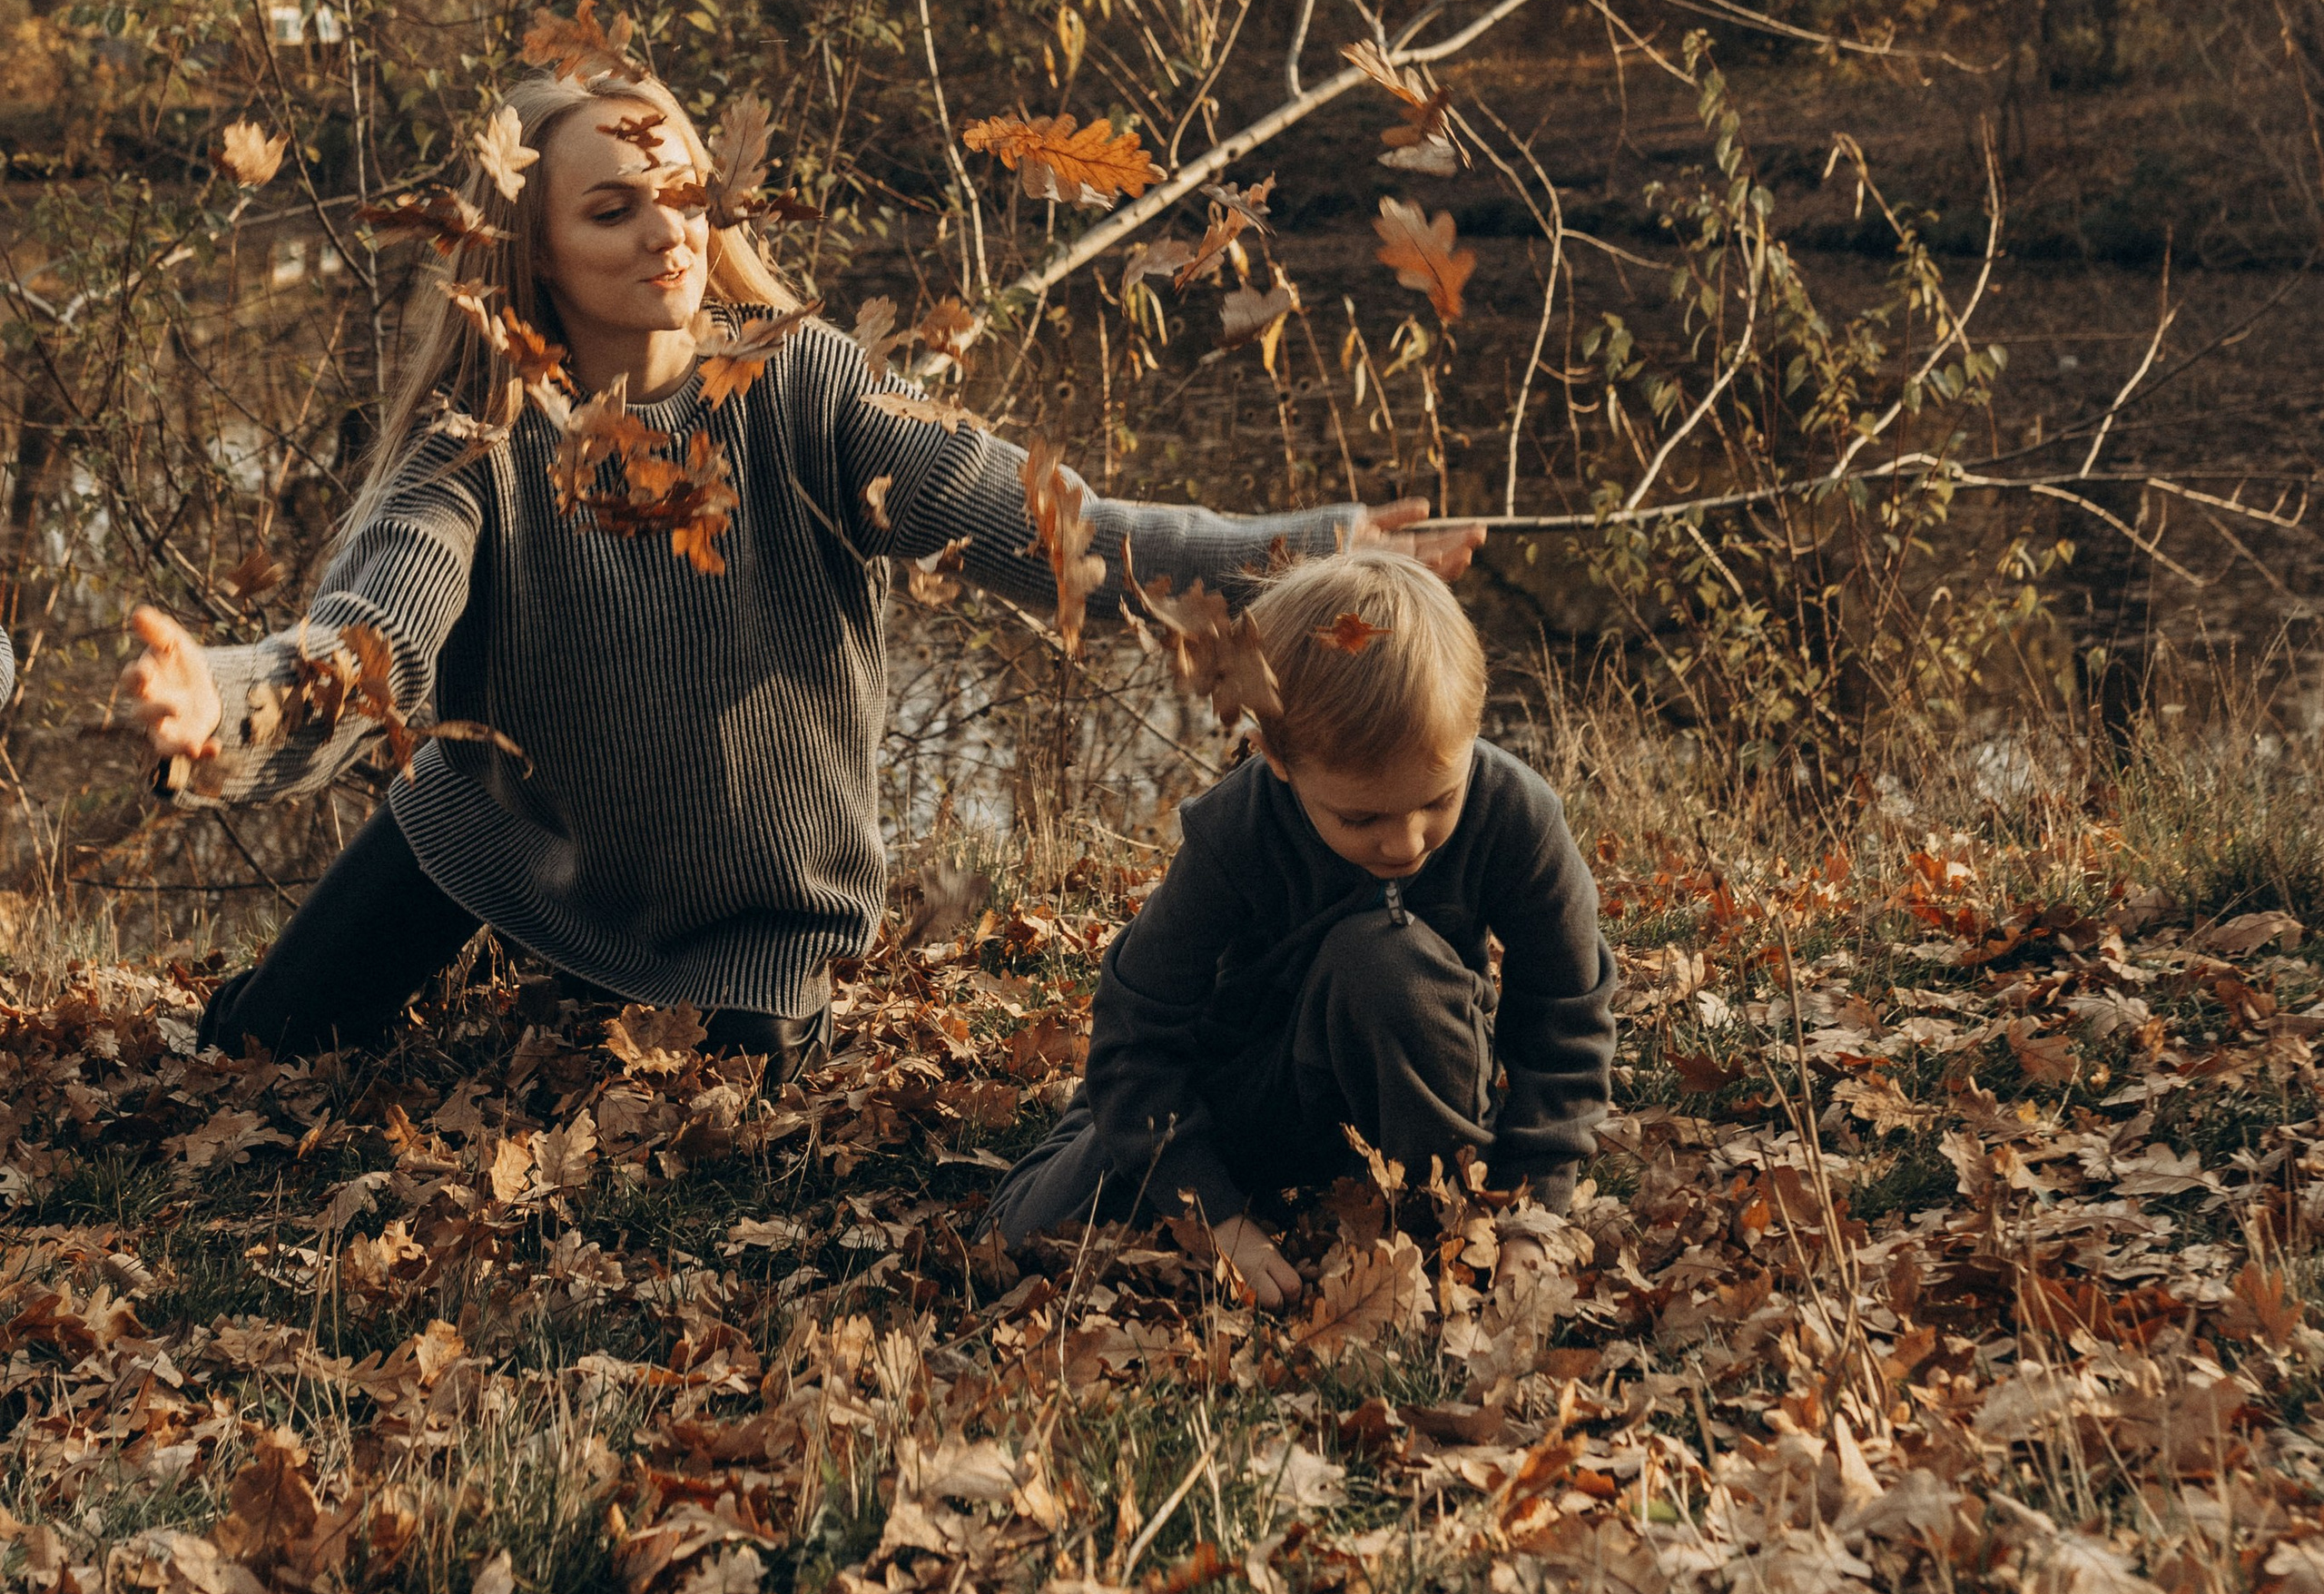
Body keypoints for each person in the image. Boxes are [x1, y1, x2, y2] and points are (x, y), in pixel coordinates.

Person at [114, 64, 1478, 1066]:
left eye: (686, 196)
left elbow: (1054, 532)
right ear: (532, 245)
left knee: (717, 1106)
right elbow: (370, 645)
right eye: (613, 211)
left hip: (751, 920)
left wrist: (1307, 552)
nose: (669, 233)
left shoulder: (807, 392)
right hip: (502, 851)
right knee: (261, 1048)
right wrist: (221, 705)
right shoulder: (480, 446)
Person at [987, 547, 1616, 1306]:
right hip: (1248, 1091)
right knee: (1015, 1241)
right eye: (1362, 816)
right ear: (1276, 758)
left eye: (1435, 801)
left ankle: (1424, 1211)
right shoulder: (1234, 832)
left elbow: (1566, 1022)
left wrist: (1532, 1213)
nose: (1406, 842)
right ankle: (1120, 1150)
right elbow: (1136, 1030)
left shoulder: (1517, 814)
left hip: (1419, 1079)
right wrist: (1213, 1214)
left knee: (1385, 961)